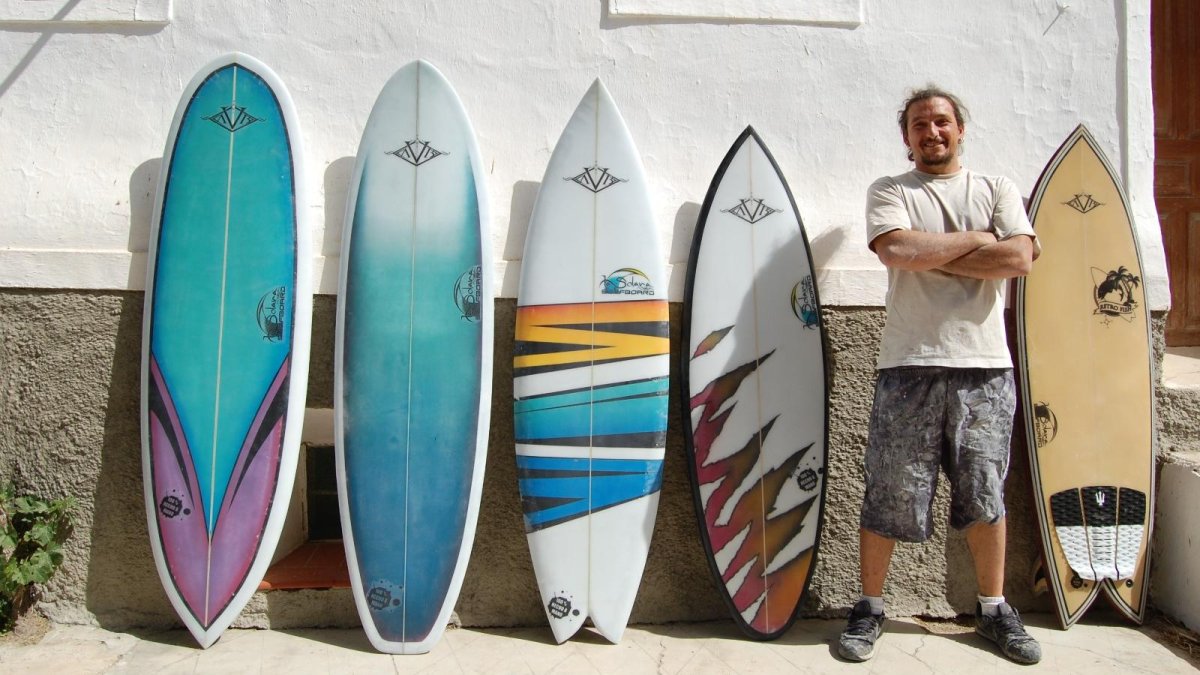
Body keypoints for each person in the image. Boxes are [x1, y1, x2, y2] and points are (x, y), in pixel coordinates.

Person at [837, 86, 1042, 665]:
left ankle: (994, 608)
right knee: (887, 492)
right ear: (906, 138)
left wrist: (933, 253)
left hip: (985, 369)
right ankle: (870, 606)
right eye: (920, 124)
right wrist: (980, 242)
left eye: (942, 121)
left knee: (984, 493)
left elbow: (1020, 259)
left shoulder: (995, 188)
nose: (932, 132)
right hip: (908, 365)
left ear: (960, 129)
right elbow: (896, 249)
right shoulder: (890, 190)